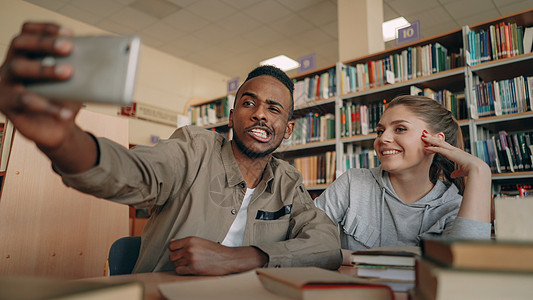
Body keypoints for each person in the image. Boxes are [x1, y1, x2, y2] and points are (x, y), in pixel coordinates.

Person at [0, 22, 342, 275]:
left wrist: (244, 257)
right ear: (232, 115)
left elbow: (327, 244)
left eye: (274, 109)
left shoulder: (288, 181)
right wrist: (63, 139)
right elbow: (133, 174)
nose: (259, 114)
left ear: (288, 130)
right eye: (248, 103)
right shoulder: (194, 147)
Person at [314, 95, 492, 265]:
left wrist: (480, 172)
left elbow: (466, 265)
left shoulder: (454, 206)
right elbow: (303, 241)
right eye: (380, 131)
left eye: (400, 129)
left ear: (435, 142)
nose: (383, 138)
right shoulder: (353, 183)